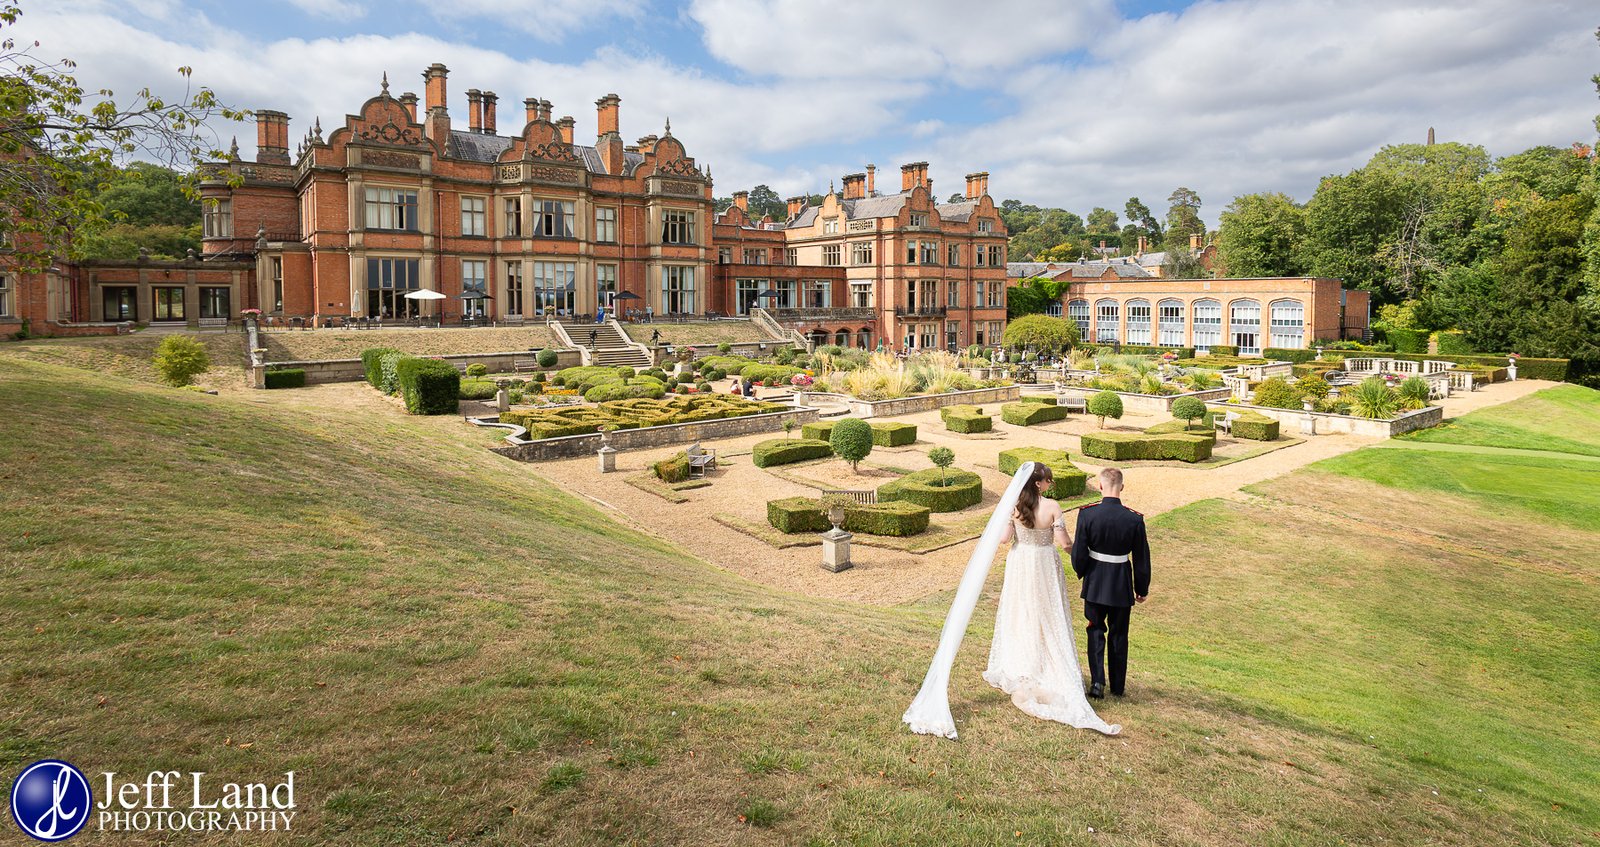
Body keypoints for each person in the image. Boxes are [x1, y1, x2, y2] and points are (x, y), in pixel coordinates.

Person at [903, 461, 1119, 738]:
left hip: (1020, 562)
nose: (1051, 485)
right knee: (1048, 612)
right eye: (1048, 481)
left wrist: (1007, 521)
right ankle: (1043, 660)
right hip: (1043, 563)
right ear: (1039, 484)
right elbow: (1065, 544)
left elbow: (1004, 539)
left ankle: (1022, 659)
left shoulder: (1015, 506)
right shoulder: (1052, 507)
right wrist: (1087, 559)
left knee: (1021, 611)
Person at [1071, 467, 1151, 699]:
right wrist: (1141, 587)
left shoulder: (1087, 514)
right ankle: (1118, 685)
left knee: (1095, 630)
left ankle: (1097, 683)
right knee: (1119, 634)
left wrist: (1084, 573)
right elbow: (1141, 558)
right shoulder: (1134, 519)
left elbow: (1079, 553)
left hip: (1095, 581)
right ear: (1122, 487)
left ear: (1100, 485)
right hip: (1121, 584)